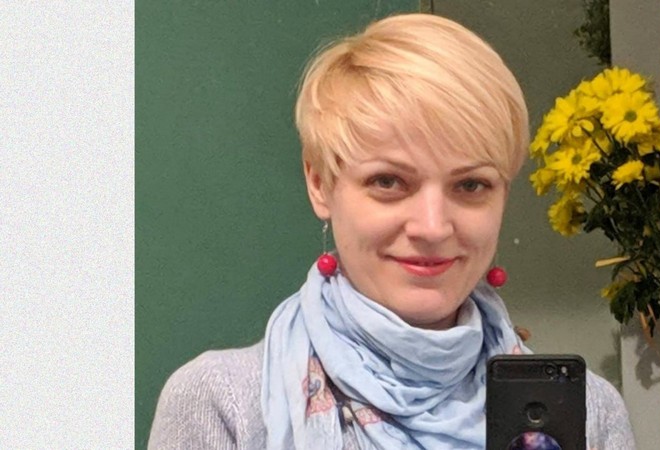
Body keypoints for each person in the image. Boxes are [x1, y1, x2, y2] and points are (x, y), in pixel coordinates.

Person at [148, 13, 635, 450]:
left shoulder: (588, 413)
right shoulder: (223, 404)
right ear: (320, 183)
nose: (432, 227)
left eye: (470, 185)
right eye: (388, 182)